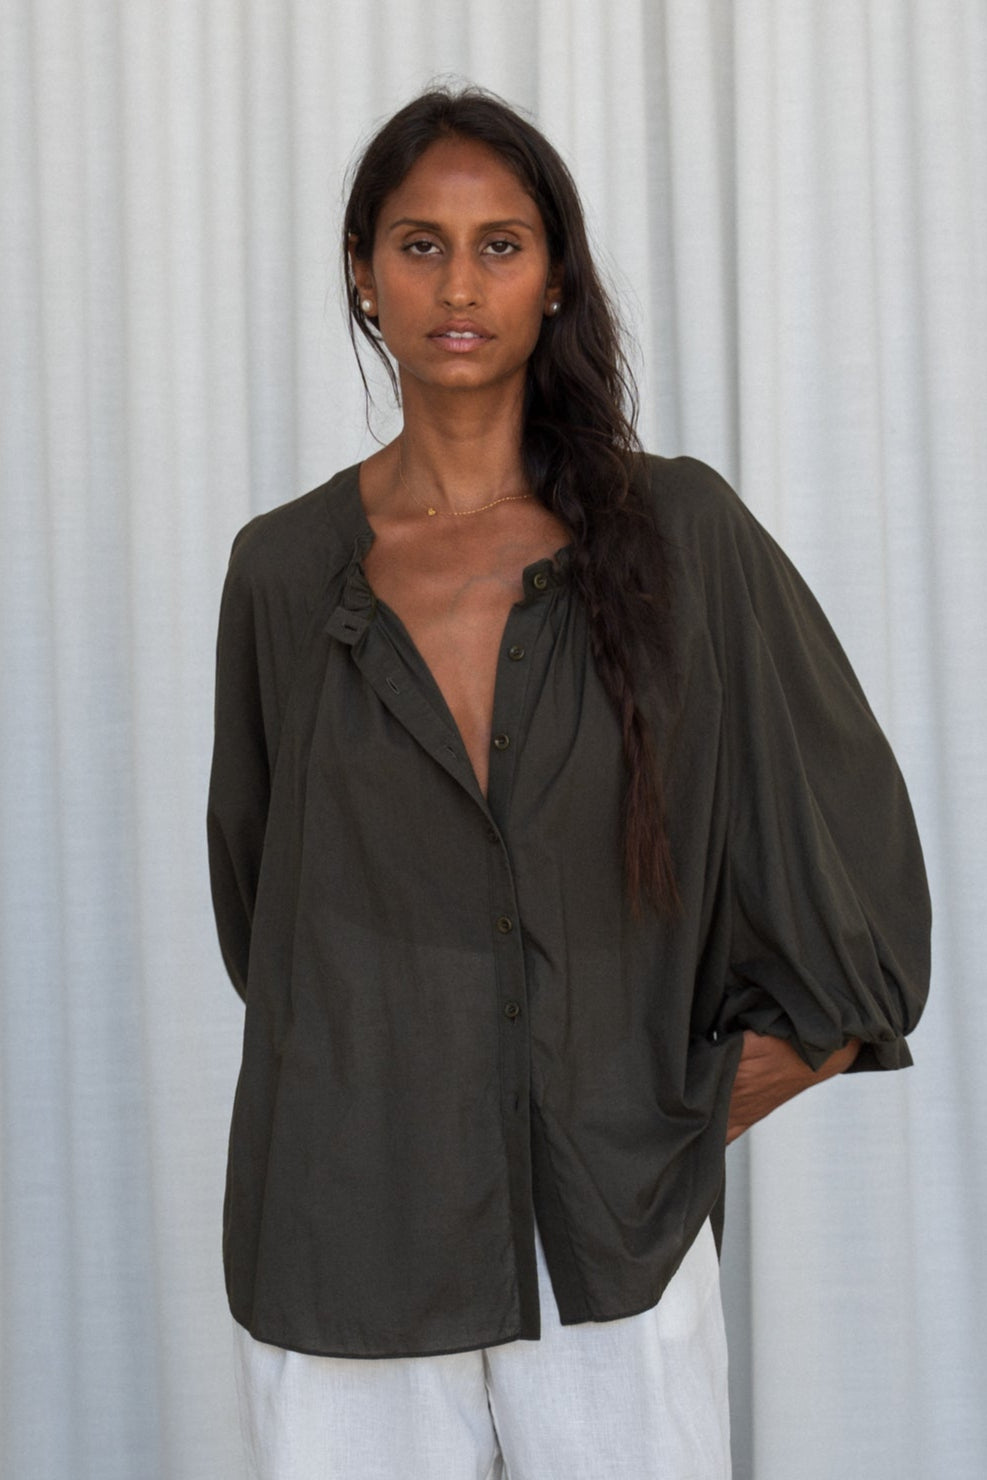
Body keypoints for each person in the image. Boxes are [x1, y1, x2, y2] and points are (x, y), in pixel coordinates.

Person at [207, 85, 931, 1480]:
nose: (459, 282)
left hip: (613, 1240)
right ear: (361, 274)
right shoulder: (282, 572)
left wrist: (672, 1105)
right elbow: (265, 905)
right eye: (419, 244)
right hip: (342, 1225)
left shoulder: (681, 536)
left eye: (502, 244)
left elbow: (841, 843)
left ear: (556, 279)